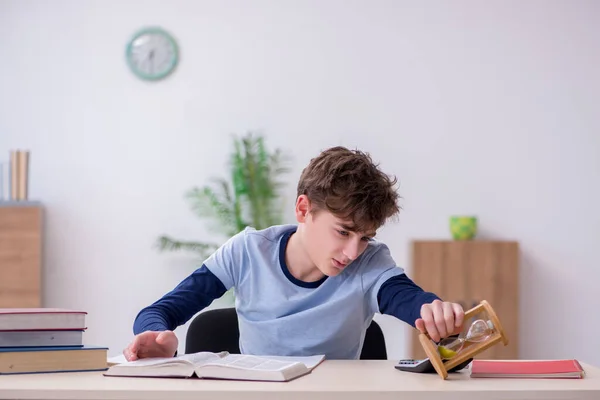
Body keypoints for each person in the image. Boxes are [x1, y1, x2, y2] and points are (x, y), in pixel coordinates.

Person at [123, 146, 464, 361]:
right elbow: (162, 310)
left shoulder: (370, 262)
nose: (351, 251)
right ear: (304, 209)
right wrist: (155, 336)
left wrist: (435, 312)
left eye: (364, 237)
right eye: (343, 231)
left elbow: (407, 297)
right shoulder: (248, 251)